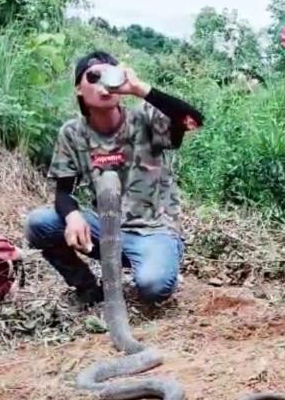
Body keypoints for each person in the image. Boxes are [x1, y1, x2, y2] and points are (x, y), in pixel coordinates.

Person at [25, 50, 204, 306]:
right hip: (107, 228)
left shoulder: (146, 118)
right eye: (93, 76)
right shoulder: (73, 133)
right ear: (78, 88)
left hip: (154, 231)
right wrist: (72, 215)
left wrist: (140, 89)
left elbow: (194, 120)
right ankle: (87, 287)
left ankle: (162, 258)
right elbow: (63, 193)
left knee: (154, 287)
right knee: (39, 223)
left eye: (109, 76)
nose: (103, 85)